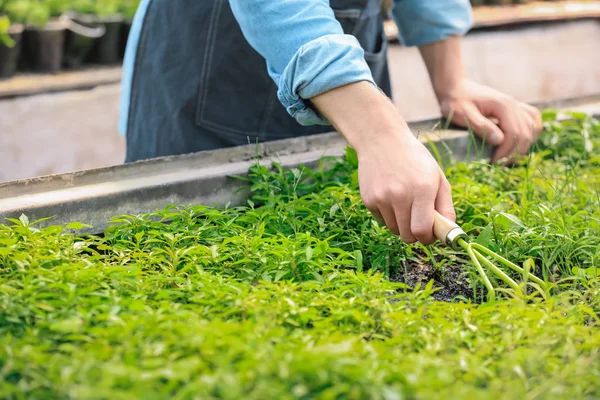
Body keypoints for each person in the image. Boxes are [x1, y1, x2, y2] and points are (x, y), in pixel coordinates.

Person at [119, 0, 542, 245]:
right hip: (218, 57)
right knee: (189, 239)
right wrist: (379, 134)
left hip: (344, 27)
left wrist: (451, 79)